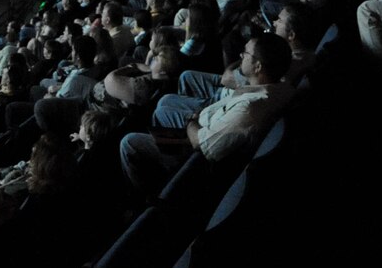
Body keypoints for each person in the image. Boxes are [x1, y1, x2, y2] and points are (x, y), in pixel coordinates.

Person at [121, 34, 294, 198]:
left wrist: (191, 121)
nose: (241, 55)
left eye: (246, 53)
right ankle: (164, 164)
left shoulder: (249, 109)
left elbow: (202, 145)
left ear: (258, 67)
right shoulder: (279, 87)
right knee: (164, 103)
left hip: (193, 154)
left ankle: (160, 195)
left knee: (129, 143)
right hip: (207, 126)